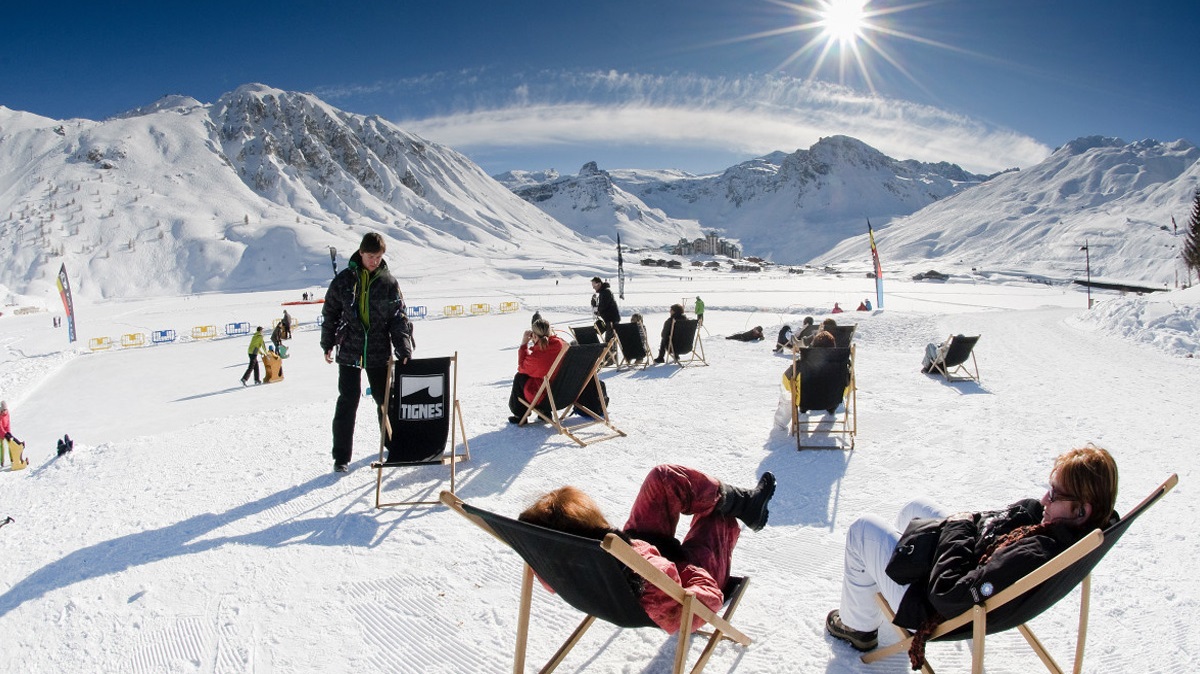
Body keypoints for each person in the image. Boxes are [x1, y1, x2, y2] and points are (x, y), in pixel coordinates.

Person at [825, 445, 1119, 669]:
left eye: (1055, 496)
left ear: (1082, 511)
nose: (1045, 500)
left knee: (864, 530)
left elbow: (949, 594)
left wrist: (958, 527)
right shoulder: (1081, 534)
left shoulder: (1033, 553)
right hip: (975, 560)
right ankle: (890, 576)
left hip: (940, 605)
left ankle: (858, 627)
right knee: (914, 509)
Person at [519, 464, 777, 634]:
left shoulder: (549, 555)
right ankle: (740, 506)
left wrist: (639, 548)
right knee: (720, 518)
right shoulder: (642, 571)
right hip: (669, 582)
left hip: (624, 559)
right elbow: (702, 603)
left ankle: (744, 503)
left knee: (663, 478)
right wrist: (683, 569)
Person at [321, 232, 414, 473]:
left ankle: (394, 447)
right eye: (371, 256)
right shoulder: (344, 280)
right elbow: (330, 312)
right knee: (347, 402)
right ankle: (341, 457)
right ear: (361, 253)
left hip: (377, 350)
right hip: (349, 349)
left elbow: (398, 317)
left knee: (386, 401)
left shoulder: (388, 283)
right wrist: (327, 342)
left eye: (379, 256)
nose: (375, 261)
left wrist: (403, 346)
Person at [773, 330, 839, 428]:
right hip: (832, 400)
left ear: (814, 345)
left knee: (788, 388)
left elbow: (786, 381)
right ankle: (831, 408)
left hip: (806, 401)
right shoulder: (842, 363)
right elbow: (848, 384)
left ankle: (780, 424)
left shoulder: (803, 363)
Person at [508, 318, 567, 423]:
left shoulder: (537, 357)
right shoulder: (562, 345)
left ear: (534, 336)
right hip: (564, 393)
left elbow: (521, 368)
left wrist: (524, 344)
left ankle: (520, 415)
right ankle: (544, 412)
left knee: (520, 377)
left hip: (545, 398)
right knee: (541, 376)